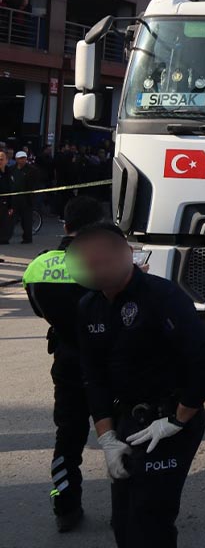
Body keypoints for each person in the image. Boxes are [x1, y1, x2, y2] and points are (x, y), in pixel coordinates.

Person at [70, 223, 205, 548]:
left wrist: (177, 420)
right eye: (90, 262)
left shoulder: (162, 297)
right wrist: (107, 438)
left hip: (169, 421)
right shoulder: (88, 307)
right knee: (123, 523)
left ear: (126, 255)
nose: (98, 269)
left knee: (149, 522)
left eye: (104, 260)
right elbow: (93, 377)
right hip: (127, 421)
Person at [21, 197, 104, 532]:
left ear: (66, 225)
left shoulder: (39, 265)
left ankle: (65, 507)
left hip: (67, 362)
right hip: (109, 363)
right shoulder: (106, 263)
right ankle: (128, 508)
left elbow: (38, 309)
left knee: (68, 437)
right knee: (124, 435)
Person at [11, 150, 41, 243]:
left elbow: (36, 183)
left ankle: (27, 238)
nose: (22, 160)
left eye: (24, 158)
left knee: (26, 220)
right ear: (16, 159)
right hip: (14, 199)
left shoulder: (32, 170)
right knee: (11, 219)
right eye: (20, 158)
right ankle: (5, 237)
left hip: (26, 199)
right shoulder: (11, 169)